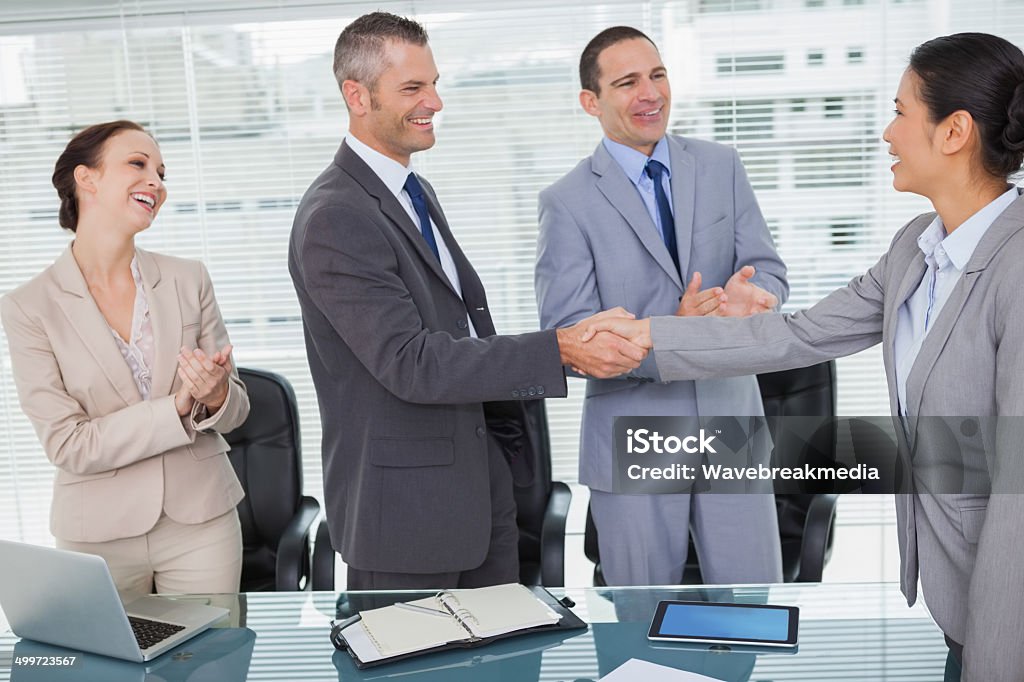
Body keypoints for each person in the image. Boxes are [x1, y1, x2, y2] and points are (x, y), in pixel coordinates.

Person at [582, 32, 1024, 681]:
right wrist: (651, 334)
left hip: (1004, 622)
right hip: (953, 605)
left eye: (902, 113)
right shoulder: (917, 250)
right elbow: (798, 335)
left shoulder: (1015, 267)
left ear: (954, 132)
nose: (887, 133)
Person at [287, 12, 646, 591]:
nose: (435, 100)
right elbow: (411, 361)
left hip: (479, 496)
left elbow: (462, 328)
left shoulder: (411, 190)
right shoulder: (336, 216)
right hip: (405, 518)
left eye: (433, 83)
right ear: (357, 95)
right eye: (412, 88)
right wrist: (558, 349)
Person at [535, 26, 788, 586]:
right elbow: (571, 342)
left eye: (658, 75)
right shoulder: (567, 203)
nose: (651, 93)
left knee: (752, 609)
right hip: (634, 431)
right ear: (591, 102)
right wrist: (675, 333)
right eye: (627, 82)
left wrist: (758, 296)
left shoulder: (722, 166)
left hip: (731, 422)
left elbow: (769, 270)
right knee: (639, 624)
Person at [0, 120, 250, 599]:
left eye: (161, 172)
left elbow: (236, 411)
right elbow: (69, 445)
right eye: (137, 164)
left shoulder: (188, 279)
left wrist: (218, 394)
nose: (156, 182)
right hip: (97, 534)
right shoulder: (30, 307)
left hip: (202, 522)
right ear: (86, 178)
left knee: (210, 668)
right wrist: (176, 408)